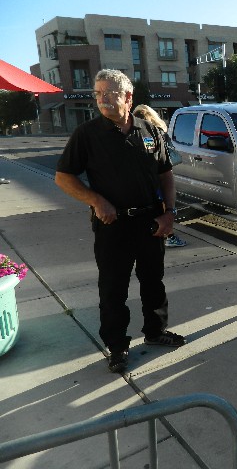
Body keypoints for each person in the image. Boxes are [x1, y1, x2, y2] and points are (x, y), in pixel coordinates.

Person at [55, 69, 186, 374]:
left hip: (150, 223)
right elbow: (63, 177)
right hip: (113, 226)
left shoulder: (150, 131)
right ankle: (117, 346)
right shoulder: (87, 134)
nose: (101, 99)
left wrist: (169, 212)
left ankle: (155, 331)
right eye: (97, 93)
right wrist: (96, 200)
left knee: (154, 281)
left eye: (108, 93)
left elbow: (166, 174)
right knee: (113, 288)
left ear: (128, 97)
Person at [132, 104, 187, 248]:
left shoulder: (134, 134)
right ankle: (169, 235)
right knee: (164, 204)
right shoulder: (157, 132)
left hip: (144, 181)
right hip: (159, 176)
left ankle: (164, 233)